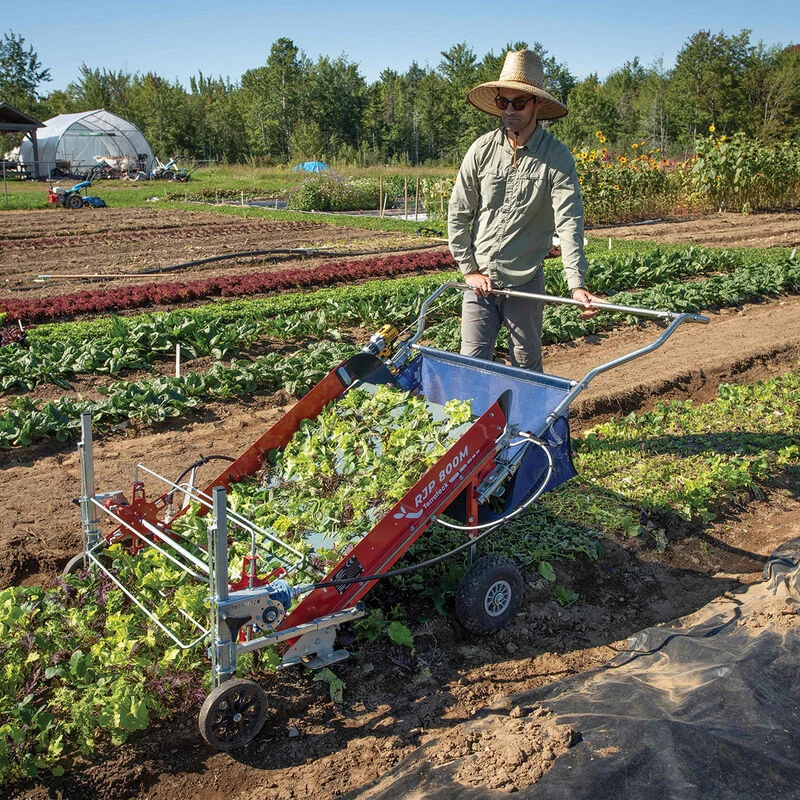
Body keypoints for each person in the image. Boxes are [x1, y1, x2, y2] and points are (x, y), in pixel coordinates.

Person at [448, 49, 601, 372]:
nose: (509, 111)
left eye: (519, 103)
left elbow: (569, 221)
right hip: (481, 282)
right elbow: (459, 213)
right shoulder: (481, 150)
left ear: (537, 105)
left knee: (526, 365)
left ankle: (524, 423)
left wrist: (576, 284)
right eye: (504, 102)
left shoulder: (556, 157)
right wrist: (469, 269)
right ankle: (476, 423)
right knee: (471, 364)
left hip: (526, 282)